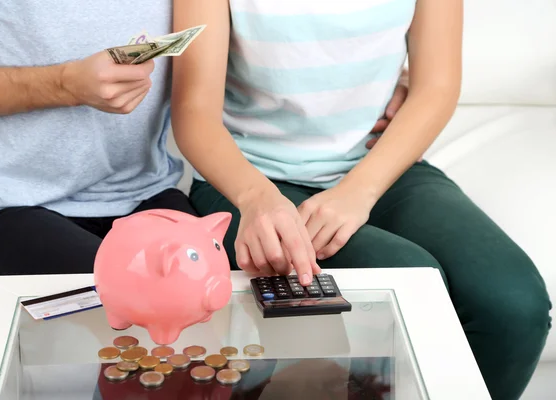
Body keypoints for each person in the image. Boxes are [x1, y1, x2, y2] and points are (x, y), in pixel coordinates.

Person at [170, 1, 551, 399]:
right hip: (249, 181)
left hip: (379, 169)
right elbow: (194, 110)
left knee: (514, 306)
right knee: (409, 282)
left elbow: (435, 87)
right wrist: (256, 199)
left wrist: (359, 192)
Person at [0, 1, 197, 279]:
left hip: (139, 191)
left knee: (212, 282)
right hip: (0, 203)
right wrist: (64, 85)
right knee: (132, 292)